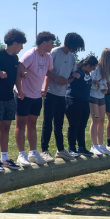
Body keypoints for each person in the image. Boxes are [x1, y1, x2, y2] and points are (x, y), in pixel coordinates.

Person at [40, 33, 85, 162]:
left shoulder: (71, 57)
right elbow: (45, 70)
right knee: (47, 122)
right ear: (70, 43)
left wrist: (68, 80)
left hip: (62, 95)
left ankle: (60, 150)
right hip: (50, 92)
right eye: (76, 46)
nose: (76, 50)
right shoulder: (54, 52)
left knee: (59, 123)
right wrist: (55, 78)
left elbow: (74, 74)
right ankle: (44, 150)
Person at [0, 29, 26, 171]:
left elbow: (16, 77)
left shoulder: (15, 58)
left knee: (6, 127)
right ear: (14, 43)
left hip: (9, 96)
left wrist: (20, 91)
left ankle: (4, 158)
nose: (22, 48)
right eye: (21, 45)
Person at [15, 31, 55, 166]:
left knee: (32, 124)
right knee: (20, 124)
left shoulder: (48, 57)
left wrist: (45, 88)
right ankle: (21, 155)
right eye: (51, 43)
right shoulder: (30, 55)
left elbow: (49, 73)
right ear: (44, 43)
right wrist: (20, 91)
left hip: (37, 95)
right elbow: (19, 71)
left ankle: (33, 152)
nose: (52, 45)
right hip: (24, 95)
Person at [65, 55, 98, 157]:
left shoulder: (87, 73)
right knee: (74, 125)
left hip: (85, 101)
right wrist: (72, 75)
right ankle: (71, 148)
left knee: (82, 125)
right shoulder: (76, 70)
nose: (93, 70)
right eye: (93, 67)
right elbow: (66, 76)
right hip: (73, 100)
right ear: (88, 65)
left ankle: (82, 147)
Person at [89, 48, 110, 156]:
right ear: (108, 57)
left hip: (101, 96)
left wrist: (105, 89)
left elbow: (106, 83)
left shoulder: (108, 70)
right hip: (93, 96)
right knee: (95, 120)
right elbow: (90, 84)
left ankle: (101, 144)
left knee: (102, 120)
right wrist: (99, 87)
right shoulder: (96, 69)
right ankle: (93, 145)